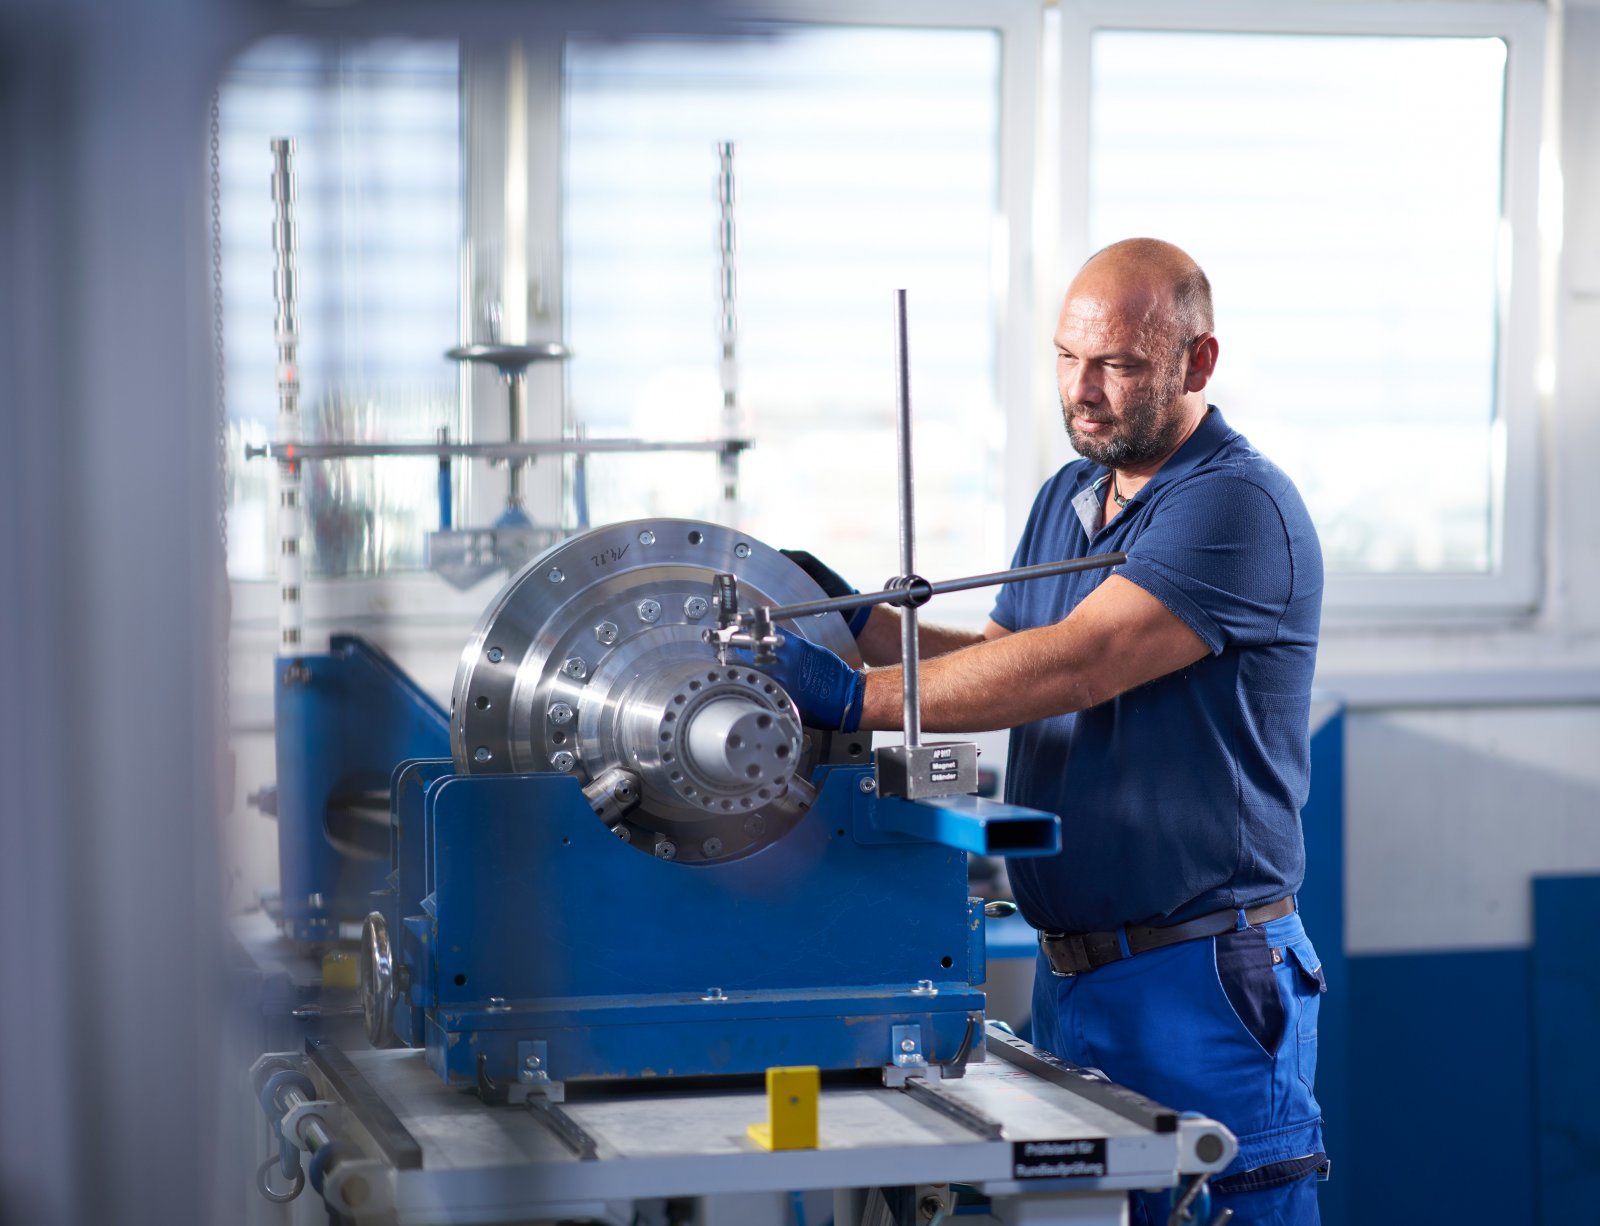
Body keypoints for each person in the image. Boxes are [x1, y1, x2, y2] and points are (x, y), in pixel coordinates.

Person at [761, 238, 1327, 1226]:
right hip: (1075, 980)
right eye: (1068, 358)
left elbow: (1077, 662)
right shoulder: (1068, 496)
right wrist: (852, 623)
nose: (1085, 389)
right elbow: (996, 651)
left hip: (1199, 977)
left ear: (1198, 362)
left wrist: (857, 700)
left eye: (1119, 363)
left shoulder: (1232, 503)